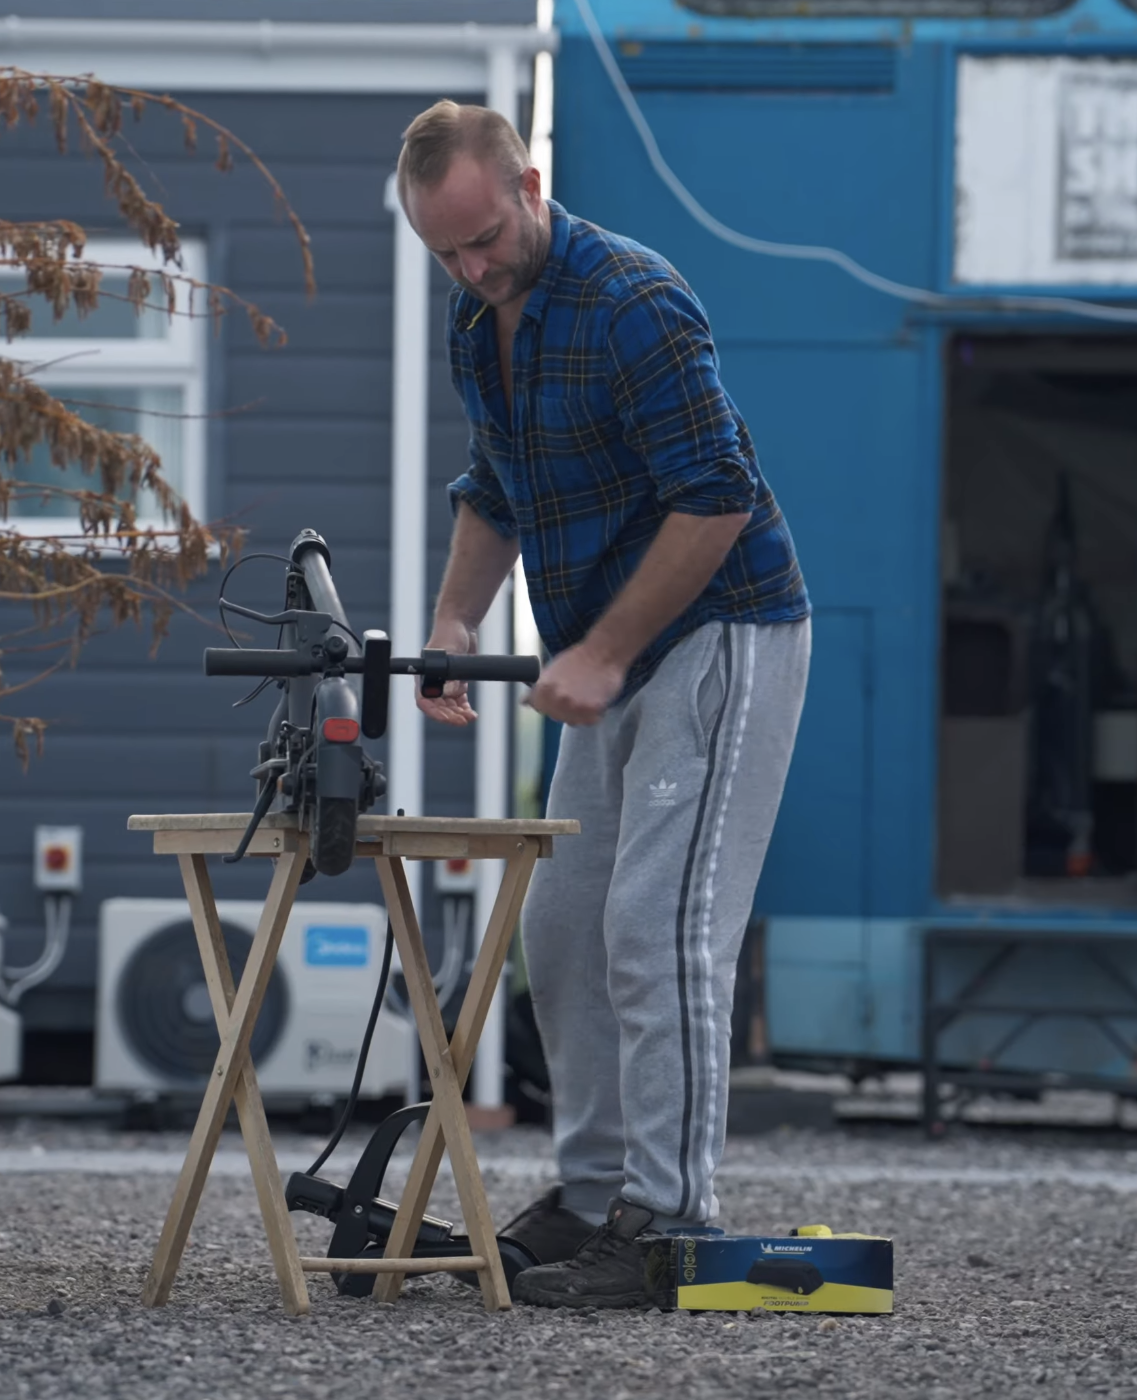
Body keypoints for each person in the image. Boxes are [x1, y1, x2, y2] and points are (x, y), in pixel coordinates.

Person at [395, 99, 813, 1310]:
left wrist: (606, 651)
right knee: (563, 928)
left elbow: (717, 497)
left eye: (483, 238)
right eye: (448, 254)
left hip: (719, 632)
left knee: (657, 924)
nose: (472, 268)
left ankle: (670, 1218)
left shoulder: (633, 299)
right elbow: (493, 486)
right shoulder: (481, 322)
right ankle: (590, 1196)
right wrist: (451, 624)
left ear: (527, 185)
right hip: (608, 651)